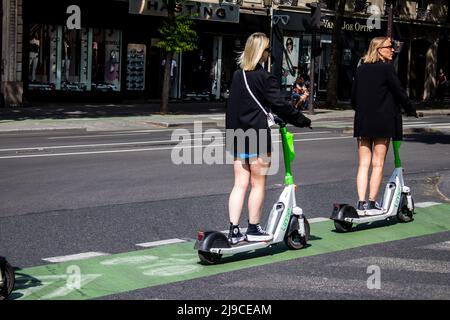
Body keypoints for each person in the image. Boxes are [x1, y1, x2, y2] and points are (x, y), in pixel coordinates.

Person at [225, 32, 312, 244]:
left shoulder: (238, 75)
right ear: (260, 52)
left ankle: (234, 230)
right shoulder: (265, 77)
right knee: (258, 184)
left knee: (239, 184)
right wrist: (301, 120)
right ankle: (254, 228)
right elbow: (280, 104)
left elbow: (232, 107)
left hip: (236, 134)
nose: (268, 54)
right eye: (267, 50)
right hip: (256, 133)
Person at [351, 37, 418, 216]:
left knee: (363, 164)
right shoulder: (387, 68)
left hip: (363, 121)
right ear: (379, 49)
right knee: (378, 163)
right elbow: (399, 92)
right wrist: (411, 109)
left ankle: (361, 202)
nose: (393, 50)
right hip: (382, 121)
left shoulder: (361, 69)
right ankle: (372, 203)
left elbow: (353, 98)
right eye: (390, 47)